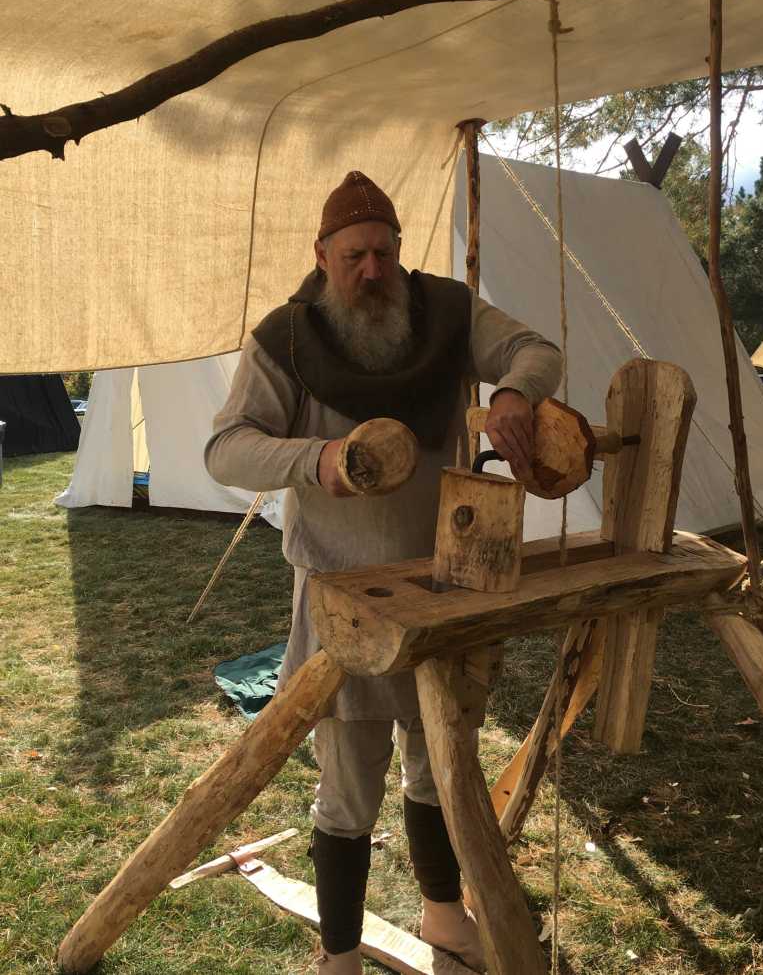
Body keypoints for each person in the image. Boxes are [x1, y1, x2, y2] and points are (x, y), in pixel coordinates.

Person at [205, 171, 562, 973]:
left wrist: (512, 391)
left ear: (401, 251)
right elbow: (225, 445)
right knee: (350, 784)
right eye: (355, 255)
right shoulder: (285, 338)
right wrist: (319, 457)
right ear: (322, 255)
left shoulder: (446, 314)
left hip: (442, 589)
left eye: (385, 253)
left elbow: (537, 349)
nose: (373, 271)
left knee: (441, 766)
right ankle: (339, 955)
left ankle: (441, 913)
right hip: (342, 597)